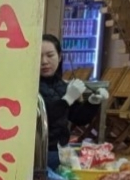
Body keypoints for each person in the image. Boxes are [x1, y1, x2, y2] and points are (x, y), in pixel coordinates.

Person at [39, 34, 108, 170]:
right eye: (39, 56)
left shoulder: (62, 85)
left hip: (61, 149)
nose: (44, 61)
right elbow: (41, 119)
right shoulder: (30, 86)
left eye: (50, 55)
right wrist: (67, 99)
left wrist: (93, 102)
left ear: (59, 57)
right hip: (39, 153)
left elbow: (79, 118)